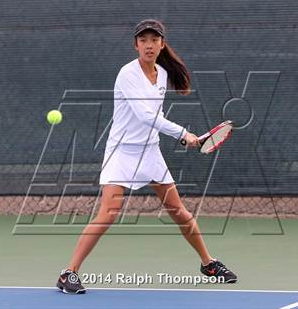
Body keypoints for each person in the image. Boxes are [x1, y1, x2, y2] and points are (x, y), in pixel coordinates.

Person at [56, 19, 237, 294]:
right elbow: (144, 115)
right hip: (122, 152)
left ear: (162, 44)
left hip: (150, 152)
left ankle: (208, 263)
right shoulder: (127, 74)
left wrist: (180, 135)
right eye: (143, 40)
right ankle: (68, 273)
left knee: (179, 212)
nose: (149, 45)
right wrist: (183, 134)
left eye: (154, 40)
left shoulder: (162, 74)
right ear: (136, 45)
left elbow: (155, 117)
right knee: (107, 214)